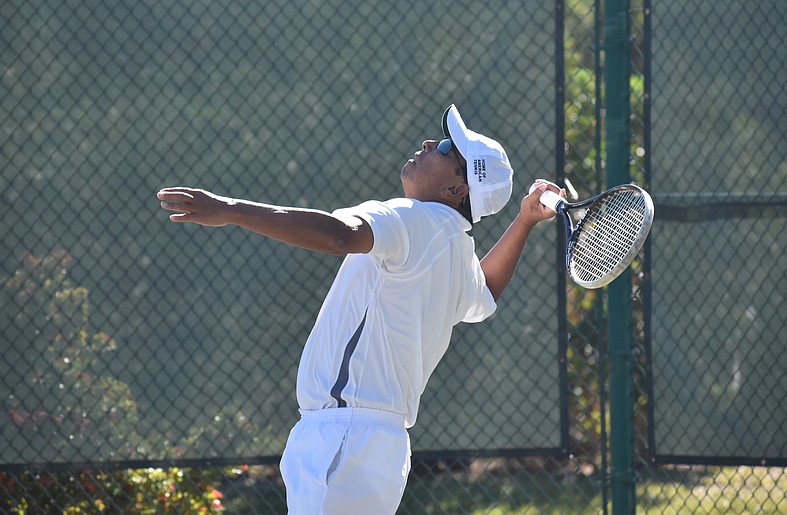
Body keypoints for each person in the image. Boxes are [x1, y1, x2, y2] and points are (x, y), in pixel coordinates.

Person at [157, 104, 565, 514]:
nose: (428, 144)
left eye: (445, 147)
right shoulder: (457, 249)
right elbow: (487, 293)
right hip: (380, 446)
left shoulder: (411, 218)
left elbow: (340, 236)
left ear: (458, 189)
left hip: (344, 434)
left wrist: (229, 210)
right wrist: (524, 222)